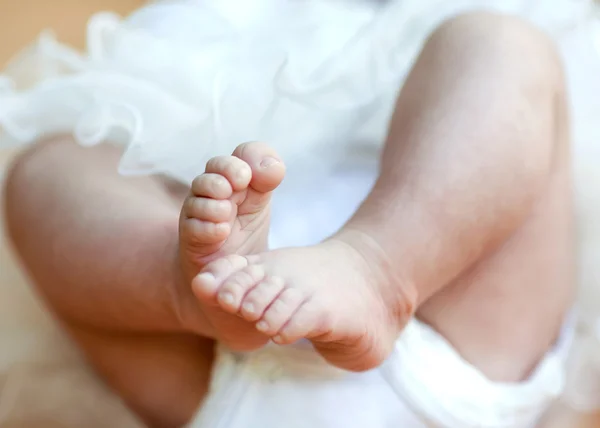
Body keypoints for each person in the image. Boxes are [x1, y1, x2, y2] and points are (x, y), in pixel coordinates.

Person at [1, 0, 596, 426]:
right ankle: (380, 266)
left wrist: (189, 299)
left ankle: (187, 286)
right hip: (461, 378)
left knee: (47, 173)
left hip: (224, 392)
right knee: (502, 49)